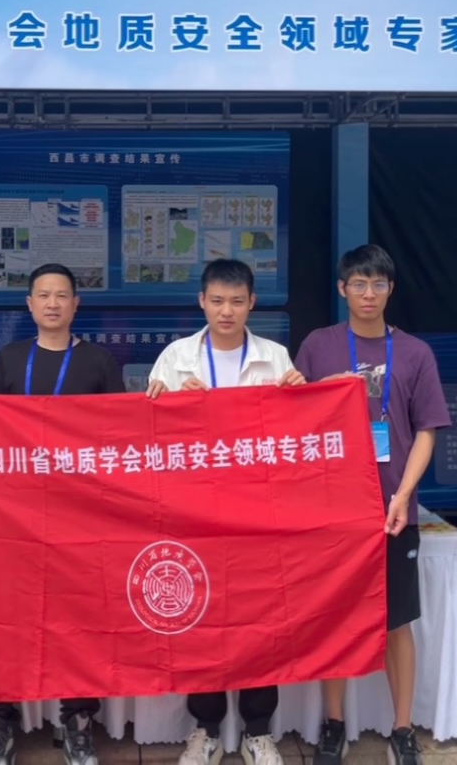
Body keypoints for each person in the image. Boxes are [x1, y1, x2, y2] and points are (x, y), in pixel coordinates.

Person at [0, 262, 124, 765]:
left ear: (76, 304)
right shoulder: (10, 359)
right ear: (29, 305)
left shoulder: (98, 362)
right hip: (15, 518)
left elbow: (121, 433)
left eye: (62, 295)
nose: (53, 303)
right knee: (6, 617)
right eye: (43, 295)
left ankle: (76, 725)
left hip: (80, 516)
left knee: (79, 620)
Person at [294, 245, 451, 765]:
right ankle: (334, 723)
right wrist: (315, 388)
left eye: (377, 284)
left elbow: (427, 430)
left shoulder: (415, 353)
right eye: (358, 284)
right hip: (330, 507)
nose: (368, 294)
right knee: (334, 617)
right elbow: (293, 417)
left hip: (392, 509)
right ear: (342, 289)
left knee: (396, 621)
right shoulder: (318, 346)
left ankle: (402, 728)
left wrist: (403, 495)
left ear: (390, 289)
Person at [145, 258, 306, 765]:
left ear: (252, 303)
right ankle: (206, 728)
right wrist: (170, 403)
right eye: (217, 301)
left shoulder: (275, 357)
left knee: (262, 619)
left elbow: (295, 438)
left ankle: (259, 731)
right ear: (202, 302)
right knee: (201, 620)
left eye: (237, 301)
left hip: (259, 515)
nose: (226, 311)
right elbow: (151, 439)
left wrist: (299, 399)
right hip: (195, 514)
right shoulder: (176, 358)